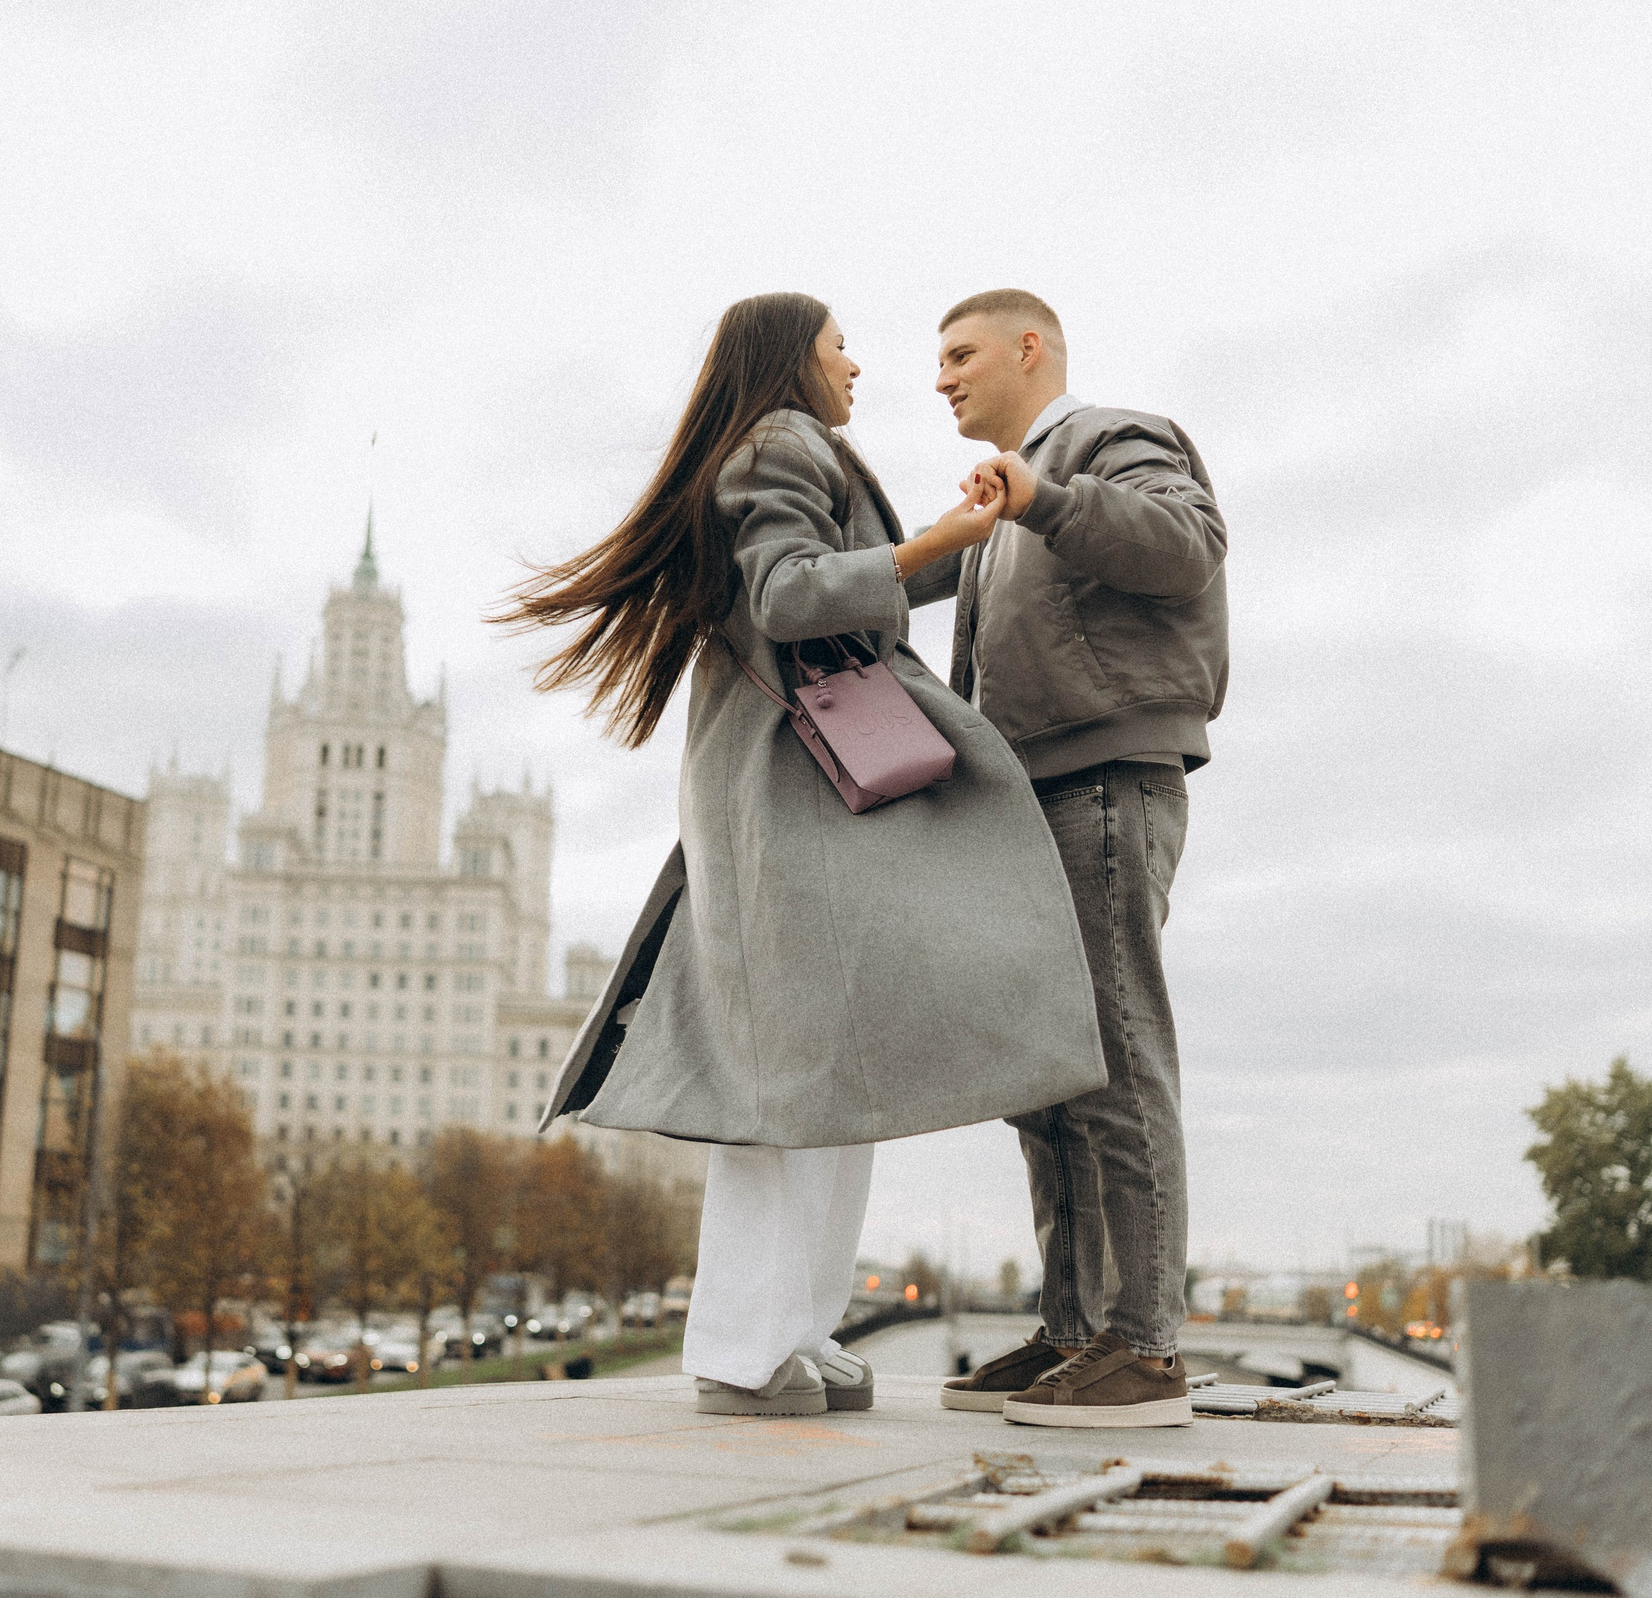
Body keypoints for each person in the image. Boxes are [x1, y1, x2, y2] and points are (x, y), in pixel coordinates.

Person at [503, 292, 1104, 1417]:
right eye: (841, 348)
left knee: (830, 1071)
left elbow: (834, 584)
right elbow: (786, 596)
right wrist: (937, 543)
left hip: (801, 789)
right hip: (790, 794)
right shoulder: (781, 440)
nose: (859, 368)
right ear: (791, 360)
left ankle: (795, 1331)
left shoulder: (792, 446)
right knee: (787, 1077)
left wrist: (950, 540)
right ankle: (743, 1349)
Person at [913, 289, 1228, 1430]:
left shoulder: (1105, 441)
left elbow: (1185, 545)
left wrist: (1043, 496)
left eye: (958, 354)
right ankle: (1072, 1333)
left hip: (1100, 784)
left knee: (1114, 1054)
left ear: (1027, 348)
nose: (939, 377)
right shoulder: (1008, 500)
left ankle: (1141, 1352)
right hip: (1029, 797)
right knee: (1046, 1079)